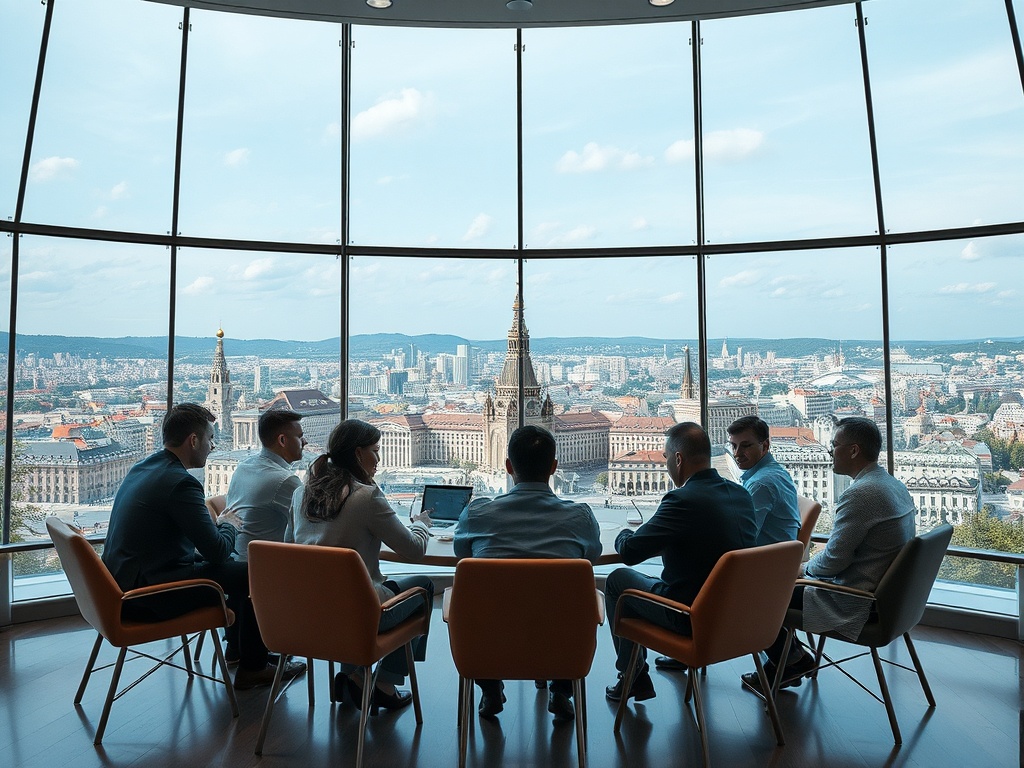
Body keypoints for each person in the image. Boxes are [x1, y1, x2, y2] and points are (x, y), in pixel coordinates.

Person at [102, 403, 305, 690]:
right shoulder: (180, 484)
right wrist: (227, 524)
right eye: (209, 439)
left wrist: (218, 528)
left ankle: (240, 650)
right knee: (257, 577)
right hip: (150, 595)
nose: (212, 446)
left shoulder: (144, 467)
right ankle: (254, 666)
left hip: (124, 585)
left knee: (239, 572)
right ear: (193, 440)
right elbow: (219, 551)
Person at [740, 416, 916, 696]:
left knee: (753, 596)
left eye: (834, 446)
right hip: (890, 601)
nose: (829, 452)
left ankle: (791, 662)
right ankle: (789, 661)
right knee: (773, 587)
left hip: (854, 601)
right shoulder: (891, 484)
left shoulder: (861, 494)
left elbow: (834, 561)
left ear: (854, 451)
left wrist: (802, 569)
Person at [453, 425, 601, 723]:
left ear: (508, 467)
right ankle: (561, 690)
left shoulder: (478, 514)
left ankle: (490, 687)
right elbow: (591, 556)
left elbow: (462, 553)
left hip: (489, 643)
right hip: (562, 644)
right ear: (554, 467)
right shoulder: (580, 517)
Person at [604, 422, 757, 703]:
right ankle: (634, 672)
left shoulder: (682, 500)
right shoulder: (741, 495)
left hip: (689, 616)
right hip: (740, 617)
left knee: (617, 580)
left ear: (678, 459)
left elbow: (631, 552)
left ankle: (632, 675)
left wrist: (623, 532)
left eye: (665, 458)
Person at [288, 419, 433, 712]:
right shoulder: (366, 497)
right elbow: (414, 550)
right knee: (423, 587)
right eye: (375, 451)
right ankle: (385, 684)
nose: (379, 459)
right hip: (359, 616)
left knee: (349, 593)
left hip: (305, 615)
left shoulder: (300, 493)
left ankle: (353, 675)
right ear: (358, 454)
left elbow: (288, 549)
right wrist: (421, 526)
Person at [656, 415, 800, 672]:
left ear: (764, 446)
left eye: (745, 446)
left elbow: (736, 535)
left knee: (688, 569)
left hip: (758, 571)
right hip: (777, 567)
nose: (737, 453)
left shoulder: (760, 484)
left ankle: (686, 641)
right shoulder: (773, 473)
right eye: (733, 446)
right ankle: (789, 654)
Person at [227, 409, 307, 561]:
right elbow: (307, 528)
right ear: (282, 440)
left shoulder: (243, 466)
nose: (305, 441)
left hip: (235, 558)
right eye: (300, 436)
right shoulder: (285, 481)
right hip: (259, 570)